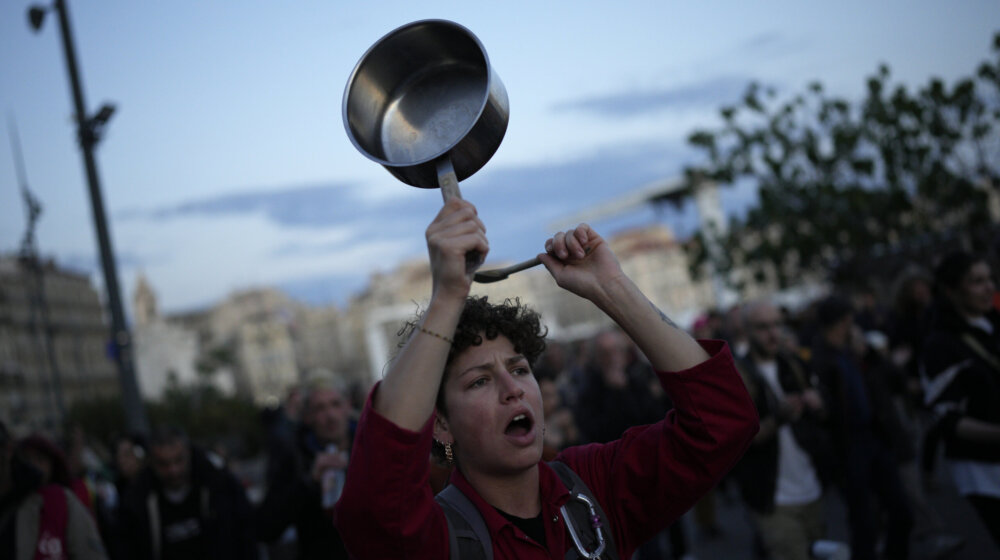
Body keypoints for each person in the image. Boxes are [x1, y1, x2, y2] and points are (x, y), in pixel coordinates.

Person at [333, 199, 758, 559]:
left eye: (519, 369)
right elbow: (375, 510)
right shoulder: (440, 539)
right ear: (440, 423)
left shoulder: (594, 489)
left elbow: (721, 423)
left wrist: (610, 287)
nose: (512, 388)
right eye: (479, 381)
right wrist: (446, 296)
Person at [732, 300, 840, 560]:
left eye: (777, 325)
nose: (773, 333)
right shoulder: (738, 375)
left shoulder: (793, 363)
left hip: (811, 488)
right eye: (763, 327)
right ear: (746, 331)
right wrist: (778, 418)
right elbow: (738, 440)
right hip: (773, 499)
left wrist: (818, 403)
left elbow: (828, 412)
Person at [810, 295, 913, 560]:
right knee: (864, 521)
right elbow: (825, 411)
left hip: (875, 437)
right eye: (848, 320)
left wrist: (869, 354)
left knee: (901, 510)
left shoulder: (854, 352)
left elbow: (893, 381)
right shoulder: (820, 359)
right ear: (841, 322)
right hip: (848, 446)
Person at [920, 251, 1000, 546]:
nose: (989, 287)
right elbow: (946, 419)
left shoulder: (992, 322)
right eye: (977, 281)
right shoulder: (940, 345)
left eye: (989, 278)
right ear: (952, 290)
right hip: (985, 470)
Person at [255, 371, 354, 559]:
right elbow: (265, 528)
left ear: (348, 406)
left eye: (336, 404)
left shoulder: (370, 445)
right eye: (320, 408)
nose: (330, 415)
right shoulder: (295, 457)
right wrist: (308, 481)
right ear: (308, 416)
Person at [119, 425, 257, 560]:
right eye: (164, 464)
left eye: (178, 460)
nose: (173, 470)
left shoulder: (219, 484)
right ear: (152, 462)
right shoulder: (137, 501)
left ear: (188, 453)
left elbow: (246, 534)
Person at [0, 421, 107, 560]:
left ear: (8, 450)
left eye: (40, 459)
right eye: (29, 458)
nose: (35, 463)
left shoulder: (60, 502)